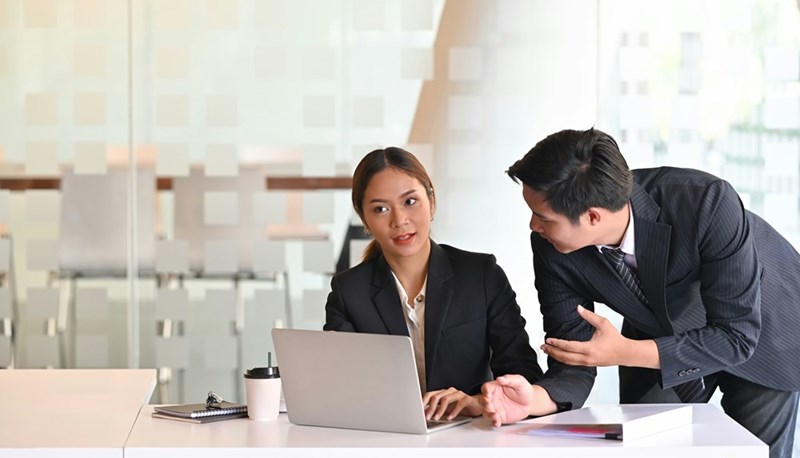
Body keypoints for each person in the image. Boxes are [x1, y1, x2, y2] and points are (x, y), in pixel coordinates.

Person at [481, 128, 800, 458]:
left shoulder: (706, 200)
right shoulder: (552, 248)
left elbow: (736, 337)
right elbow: (575, 357)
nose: (533, 226)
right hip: (657, 330)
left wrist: (623, 352)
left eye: (542, 216)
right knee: (642, 449)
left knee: (755, 453)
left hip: (762, 331)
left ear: (592, 216)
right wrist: (533, 399)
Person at [324, 147, 543, 421]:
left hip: (471, 436)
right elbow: (341, 388)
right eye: (380, 209)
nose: (399, 221)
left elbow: (523, 375)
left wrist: (476, 402)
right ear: (364, 218)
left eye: (410, 201)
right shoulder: (348, 292)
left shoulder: (481, 275)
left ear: (431, 201)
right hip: (386, 437)